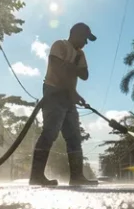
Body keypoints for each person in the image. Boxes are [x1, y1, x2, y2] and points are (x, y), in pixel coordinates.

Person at [30, 22, 98, 186]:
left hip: (68, 98)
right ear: (75, 33)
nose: (85, 43)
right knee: (50, 133)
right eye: (84, 38)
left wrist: (71, 70)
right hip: (53, 94)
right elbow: (56, 68)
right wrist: (72, 86)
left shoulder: (80, 55)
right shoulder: (59, 45)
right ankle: (36, 176)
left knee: (74, 137)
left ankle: (76, 176)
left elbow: (85, 75)